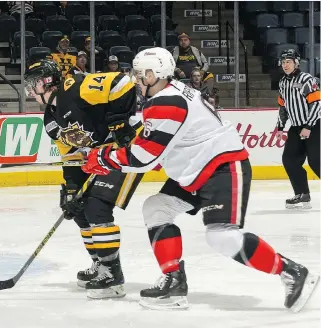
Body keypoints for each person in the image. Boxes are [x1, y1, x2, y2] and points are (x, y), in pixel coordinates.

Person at [82, 47, 319, 311]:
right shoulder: (171, 93)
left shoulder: (166, 102)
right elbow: (167, 142)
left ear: (154, 74)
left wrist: (104, 158)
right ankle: (173, 281)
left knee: (222, 237)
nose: (137, 80)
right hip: (198, 169)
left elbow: (142, 158)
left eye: (141, 74)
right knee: (156, 208)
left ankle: (293, 272)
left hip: (222, 167)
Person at [24, 59, 144, 299]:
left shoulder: (75, 87)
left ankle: (112, 276)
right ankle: (101, 264)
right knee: (78, 209)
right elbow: (71, 157)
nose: (29, 89)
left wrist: (119, 123)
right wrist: (71, 188)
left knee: (96, 207)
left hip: (129, 151)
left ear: (46, 81)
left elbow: (121, 82)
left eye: (33, 83)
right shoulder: (50, 121)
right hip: (98, 158)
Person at [276, 49, 320, 209]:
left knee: (316, 162)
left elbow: (316, 104)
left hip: (314, 126)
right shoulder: (282, 82)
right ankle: (302, 193)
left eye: (288, 61)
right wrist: (280, 127)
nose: (285, 65)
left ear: (296, 62)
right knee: (289, 159)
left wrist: (308, 126)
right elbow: (283, 107)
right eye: (283, 62)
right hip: (295, 128)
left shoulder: (307, 79)